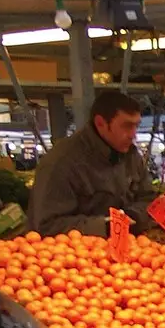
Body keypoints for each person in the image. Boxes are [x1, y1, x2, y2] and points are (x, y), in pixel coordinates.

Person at [28, 91, 153, 237]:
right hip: (73, 254)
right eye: (126, 126)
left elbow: (148, 198)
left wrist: (134, 215)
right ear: (100, 123)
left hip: (127, 248)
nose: (133, 134)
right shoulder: (61, 163)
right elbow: (47, 226)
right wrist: (106, 226)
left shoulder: (131, 156)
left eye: (136, 126)